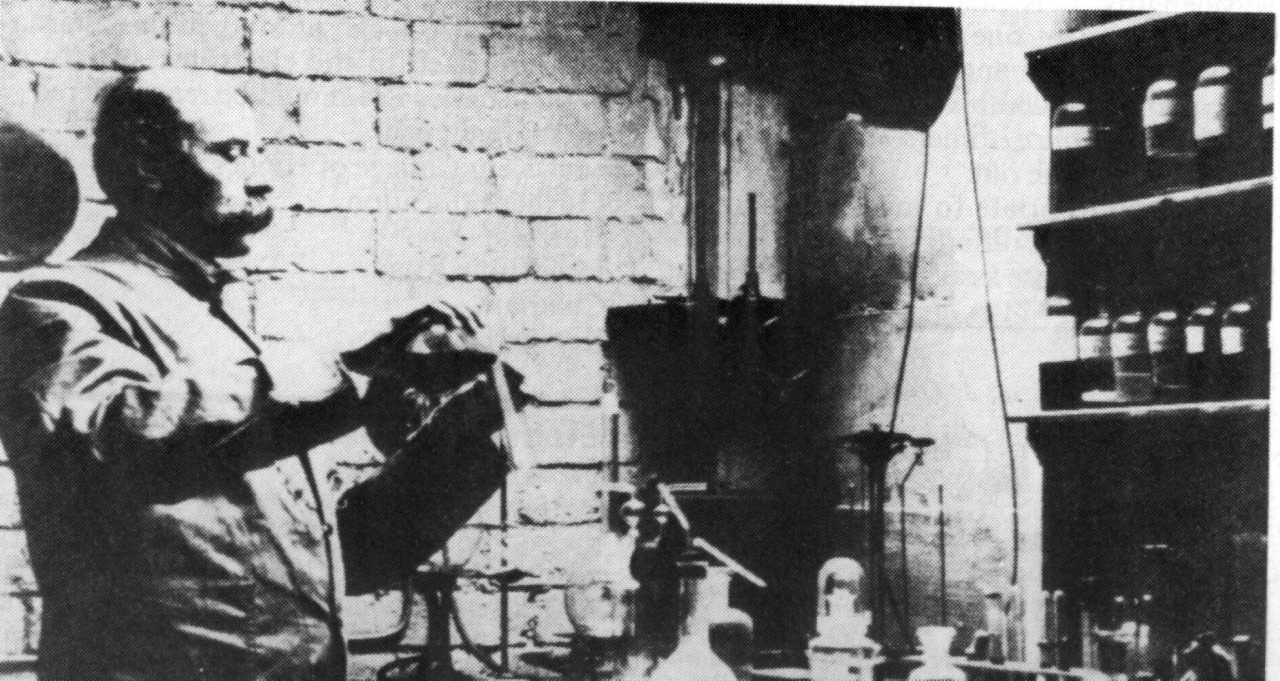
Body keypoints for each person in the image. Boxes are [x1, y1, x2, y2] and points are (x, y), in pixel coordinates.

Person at [0, 68, 508, 680]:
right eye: (231, 151)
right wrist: (348, 371)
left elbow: (348, 560)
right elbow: (122, 438)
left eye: (258, 151)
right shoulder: (55, 303)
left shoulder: (214, 320)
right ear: (148, 167)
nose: (262, 177)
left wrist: (464, 437)